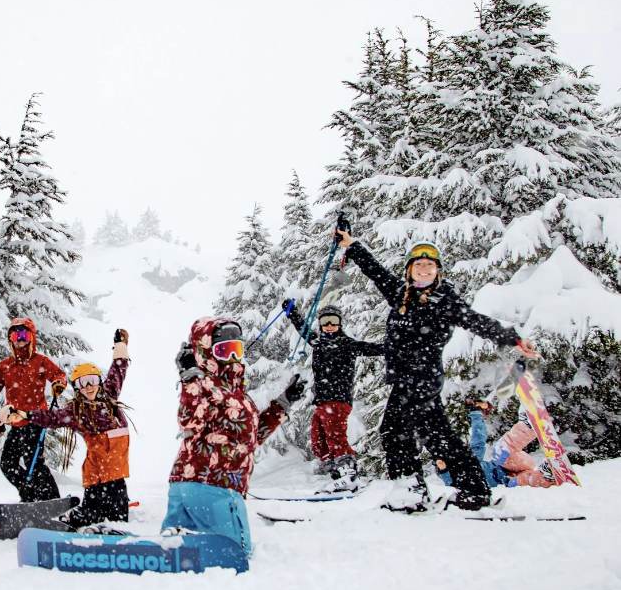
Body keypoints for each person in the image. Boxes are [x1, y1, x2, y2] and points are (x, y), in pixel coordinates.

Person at [337, 233, 538, 511]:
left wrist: (511, 338)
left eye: (430, 265)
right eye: (419, 264)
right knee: (438, 437)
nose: (424, 269)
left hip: (421, 378)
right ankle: (473, 490)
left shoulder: (445, 300)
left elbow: (475, 321)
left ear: (437, 270)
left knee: (395, 431)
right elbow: (376, 271)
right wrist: (352, 246)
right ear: (409, 269)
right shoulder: (400, 293)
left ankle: (411, 491)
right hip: (411, 378)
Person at [162, 317, 305, 557]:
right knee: (234, 553)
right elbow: (189, 422)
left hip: (190, 482)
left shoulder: (234, 391)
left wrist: (283, 403)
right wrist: (190, 378)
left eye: (235, 350)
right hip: (215, 485)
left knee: (181, 555)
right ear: (206, 351)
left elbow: (250, 439)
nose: (231, 358)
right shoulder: (204, 383)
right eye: (223, 350)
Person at [5, 329, 132, 528]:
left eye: (92, 381)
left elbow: (119, 368)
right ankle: (64, 521)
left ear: (99, 382)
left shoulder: (110, 395)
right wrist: (25, 414)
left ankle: (81, 520)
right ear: (77, 387)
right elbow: (52, 418)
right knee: (94, 516)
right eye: (82, 383)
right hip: (96, 476)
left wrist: (120, 345)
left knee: (118, 520)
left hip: (117, 474)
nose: (88, 387)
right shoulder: (76, 411)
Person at [284, 299, 384, 490]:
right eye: (325, 321)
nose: (329, 325)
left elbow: (372, 348)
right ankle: (334, 470)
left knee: (336, 437)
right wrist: (292, 312)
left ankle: (348, 471)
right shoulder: (318, 342)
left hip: (338, 400)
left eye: (334, 321)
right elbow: (303, 329)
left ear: (340, 323)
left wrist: (396, 346)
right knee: (318, 441)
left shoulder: (347, 344)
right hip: (322, 401)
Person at [0, 319, 68, 503]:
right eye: (15, 336)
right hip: (15, 422)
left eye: (24, 336)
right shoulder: (5, 365)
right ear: (10, 339)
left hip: (35, 420)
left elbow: (58, 374)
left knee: (34, 462)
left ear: (31, 338)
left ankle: (53, 501)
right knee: (7, 463)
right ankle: (29, 496)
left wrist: (58, 383)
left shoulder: (40, 361)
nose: (20, 341)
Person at [439, 401, 555, 489]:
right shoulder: (455, 481)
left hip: (512, 463)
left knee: (499, 452)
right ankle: (546, 476)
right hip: (511, 480)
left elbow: (478, 439)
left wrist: (475, 413)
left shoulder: (470, 461)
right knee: (514, 484)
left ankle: (527, 426)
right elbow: (450, 483)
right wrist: (443, 470)